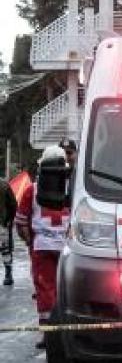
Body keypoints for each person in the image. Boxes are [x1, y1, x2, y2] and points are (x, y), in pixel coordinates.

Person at [16, 146, 71, 348]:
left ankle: (48, 334)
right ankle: (68, 332)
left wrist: (30, 241)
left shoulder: (33, 189)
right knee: (67, 289)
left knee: (45, 289)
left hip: (42, 247)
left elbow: (21, 222)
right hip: (69, 249)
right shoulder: (74, 188)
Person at [0, 176, 17, 286]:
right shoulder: (4, 184)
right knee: (5, 249)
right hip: (2, 223)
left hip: (3, 221)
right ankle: (8, 274)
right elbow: (13, 204)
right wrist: (10, 219)